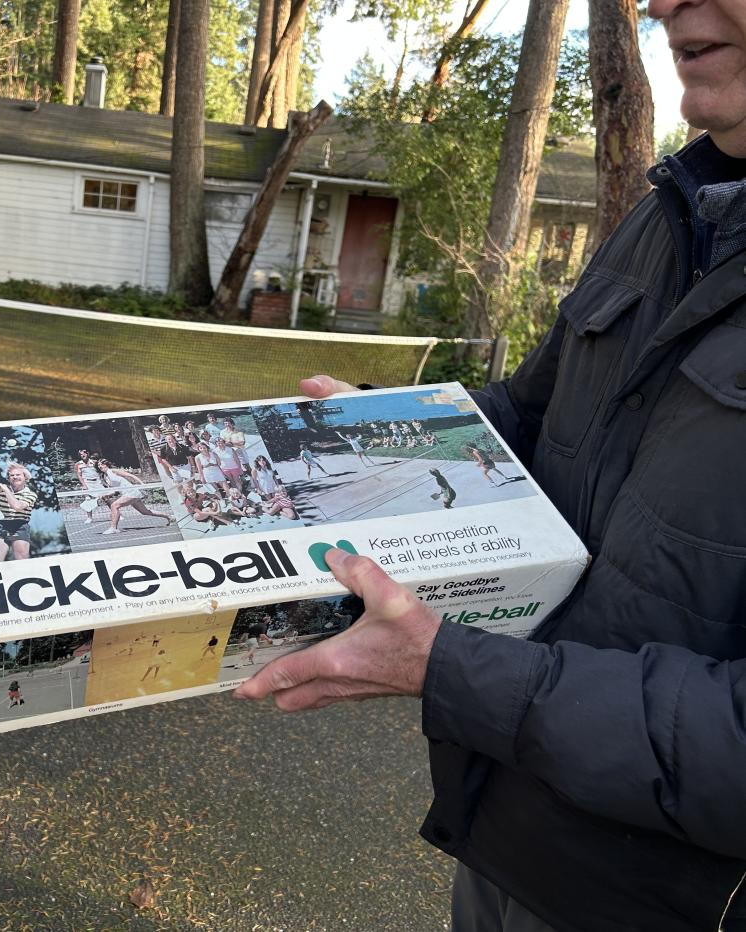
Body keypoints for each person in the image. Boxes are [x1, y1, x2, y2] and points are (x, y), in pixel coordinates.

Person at [237, 6, 746, 925]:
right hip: (516, 829)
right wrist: (391, 427)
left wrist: (450, 671)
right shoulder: (671, 214)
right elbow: (533, 420)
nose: (664, 3)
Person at [0, 462, 38, 562]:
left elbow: (17, 506)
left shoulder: (31, 495)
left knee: (22, 561)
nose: (14, 477)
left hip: (20, 526)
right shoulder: (1, 488)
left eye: (18, 475)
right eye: (11, 475)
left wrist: (6, 490)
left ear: (25, 477)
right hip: (0, 525)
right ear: (8, 479)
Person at [96, 458, 171, 535]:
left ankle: (113, 528)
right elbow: (114, 491)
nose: (100, 466)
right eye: (98, 465)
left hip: (131, 492)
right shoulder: (106, 477)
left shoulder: (113, 471)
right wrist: (104, 495)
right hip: (126, 494)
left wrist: (142, 484)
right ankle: (169, 517)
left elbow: (130, 475)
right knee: (145, 512)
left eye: (101, 464)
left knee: (114, 506)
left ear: (106, 464)